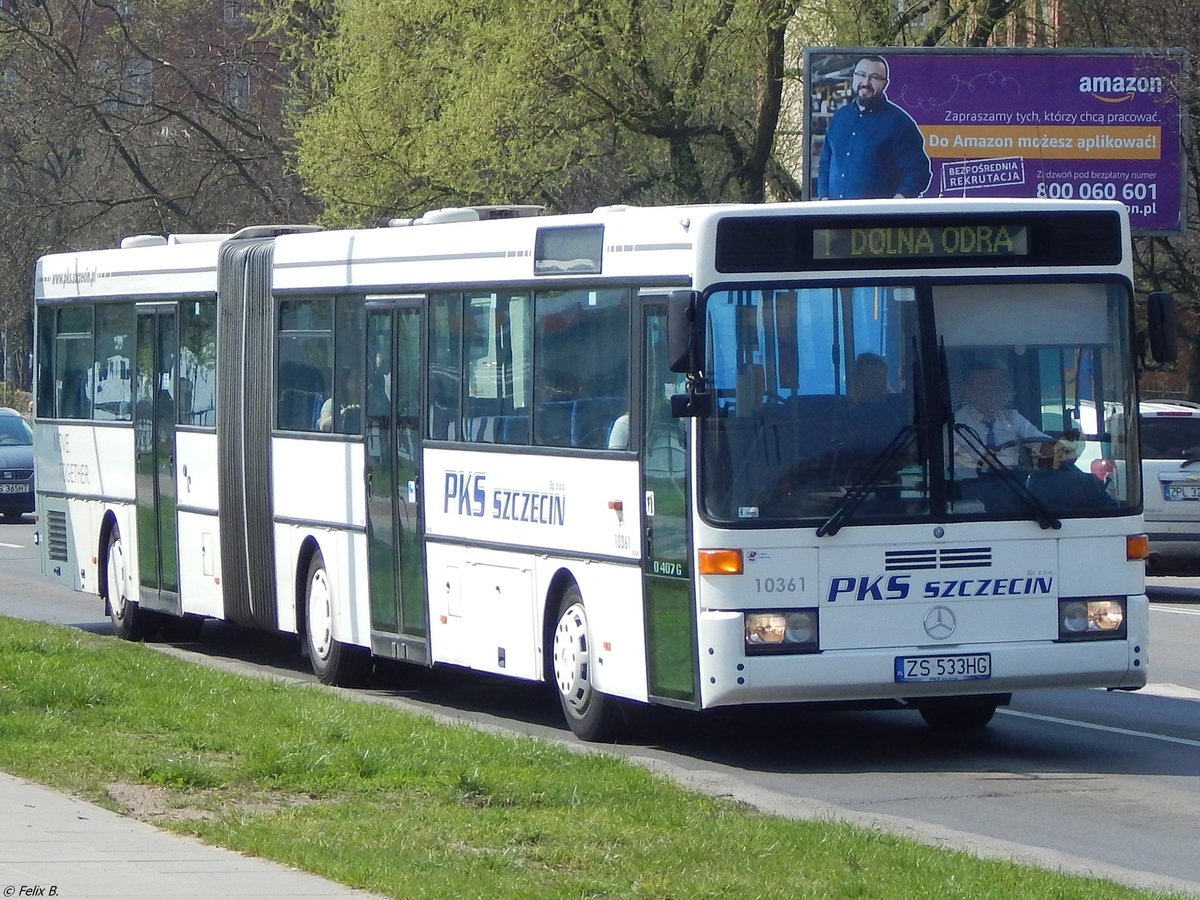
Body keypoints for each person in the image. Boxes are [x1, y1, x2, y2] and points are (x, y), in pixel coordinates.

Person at [816, 55, 932, 201]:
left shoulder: (900, 123)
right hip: (835, 217)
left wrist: (898, 203)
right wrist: (824, 197)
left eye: (874, 77)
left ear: (885, 83)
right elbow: (825, 162)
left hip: (877, 220)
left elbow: (918, 172)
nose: (866, 82)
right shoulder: (840, 117)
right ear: (854, 77)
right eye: (861, 75)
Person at [953, 365, 1049, 468]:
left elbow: (1042, 443)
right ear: (969, 390)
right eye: (984, 385)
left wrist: (1056, 448)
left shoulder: (1012, 418)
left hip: (1011, 482)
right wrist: (978, 463)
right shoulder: (956, 424)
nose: (991, 391)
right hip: (969, 482)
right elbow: (948, 460)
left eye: (995, 385)